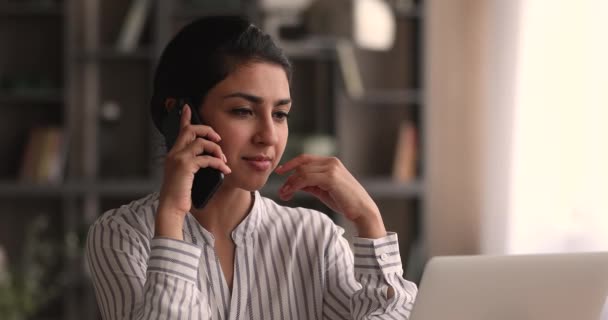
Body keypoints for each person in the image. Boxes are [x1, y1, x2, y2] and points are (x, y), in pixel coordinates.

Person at [86, 15, 417, 320]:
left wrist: (368, 219)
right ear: (181, 115)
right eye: (243, 110)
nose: (269, 136)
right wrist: (171, 217)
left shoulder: (314, 237)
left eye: (280, 114)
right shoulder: (122, 234)